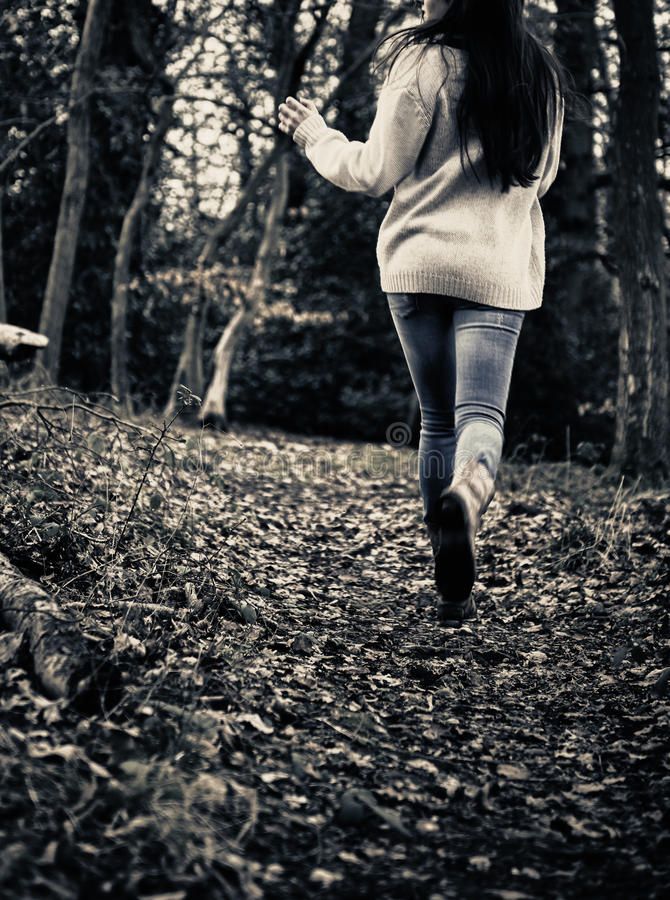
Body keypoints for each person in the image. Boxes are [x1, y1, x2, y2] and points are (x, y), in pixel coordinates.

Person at [278, 0, 570, 625]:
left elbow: (373, 170)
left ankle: (449, 584)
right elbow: (540, 178)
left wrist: (316, 136)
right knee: (480, 416)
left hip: (417, 266)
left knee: (437, 419)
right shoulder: (539, 74)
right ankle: (469, 493)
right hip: (494, 269)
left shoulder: (421, 59)